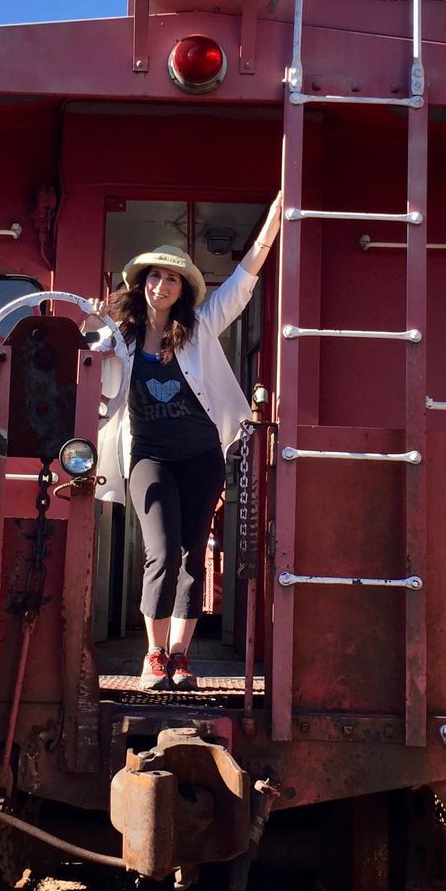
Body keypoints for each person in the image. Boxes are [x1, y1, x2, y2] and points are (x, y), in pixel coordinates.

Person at [87, 194, 283, 690]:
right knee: (162, 552)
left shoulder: (199, 329)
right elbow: (84, 360)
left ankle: (180, 657)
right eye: (154, 276)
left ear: (182, 290)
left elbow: (242, 283)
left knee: (193, 555)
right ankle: (153, 656)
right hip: (149, 458)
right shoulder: (119, 336)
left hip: (201, 457)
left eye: (171, 279)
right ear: (142, 284)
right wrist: (90, 326)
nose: (161, 285)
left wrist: (273, 222)